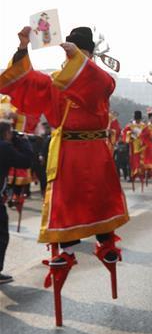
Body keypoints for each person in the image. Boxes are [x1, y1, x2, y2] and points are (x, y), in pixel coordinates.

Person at [0, 26, 129, 268]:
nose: (71, 55)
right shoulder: (55, 80)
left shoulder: (102, 78)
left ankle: (106, 244)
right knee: (65, 200)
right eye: (70, 50)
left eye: (79, 52)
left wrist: (79, 58)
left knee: (99, 197)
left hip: (94, 149)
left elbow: (98, 85)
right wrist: (22, 48)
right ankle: (66, 251)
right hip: (66, 149)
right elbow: (26, 80)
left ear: (88, 54)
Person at [0, 119, 33, 283]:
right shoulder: (4, 147)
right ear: (6, 133)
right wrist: (23, 142)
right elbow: (25, 161)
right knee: (1, 235)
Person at [122, 110, 146, 185]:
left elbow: (147, 135)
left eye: (139, 119)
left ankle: (141, 176)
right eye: (136, 119)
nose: (138, 120)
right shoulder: (130, 126)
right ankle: (132, 176)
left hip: (142, 146)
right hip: (133, 146)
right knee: (132, 161)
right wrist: (130, 134)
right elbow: (125, 133)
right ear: (135, 119)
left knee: (141, 161)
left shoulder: (144, 126)